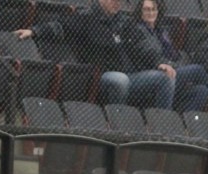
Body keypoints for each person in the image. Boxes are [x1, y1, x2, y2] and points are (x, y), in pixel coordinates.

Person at [14, 0, 175, 109]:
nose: (118, 3)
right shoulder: (87, 17)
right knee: (120, 80)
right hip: (100, 76)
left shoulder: (124, 22)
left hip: (130, 76)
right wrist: (34, 31)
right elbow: (61, 26)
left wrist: (159, 62)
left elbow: (143, 45)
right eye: (114, 0)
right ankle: (117, 121)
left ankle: (159, 127)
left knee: (166, 77)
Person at [131, 0, 208, 113]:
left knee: (202, 90)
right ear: (140, 12)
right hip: (153, 73)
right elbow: (150, 53)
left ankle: (186, 123)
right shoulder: (138, 30)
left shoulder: (161, 32)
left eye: (154, 9)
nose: (151, 13)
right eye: (147, 9)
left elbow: (175, 55)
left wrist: (178, 66)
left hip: (172, 70)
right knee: (197, 70)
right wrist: (171, 65)